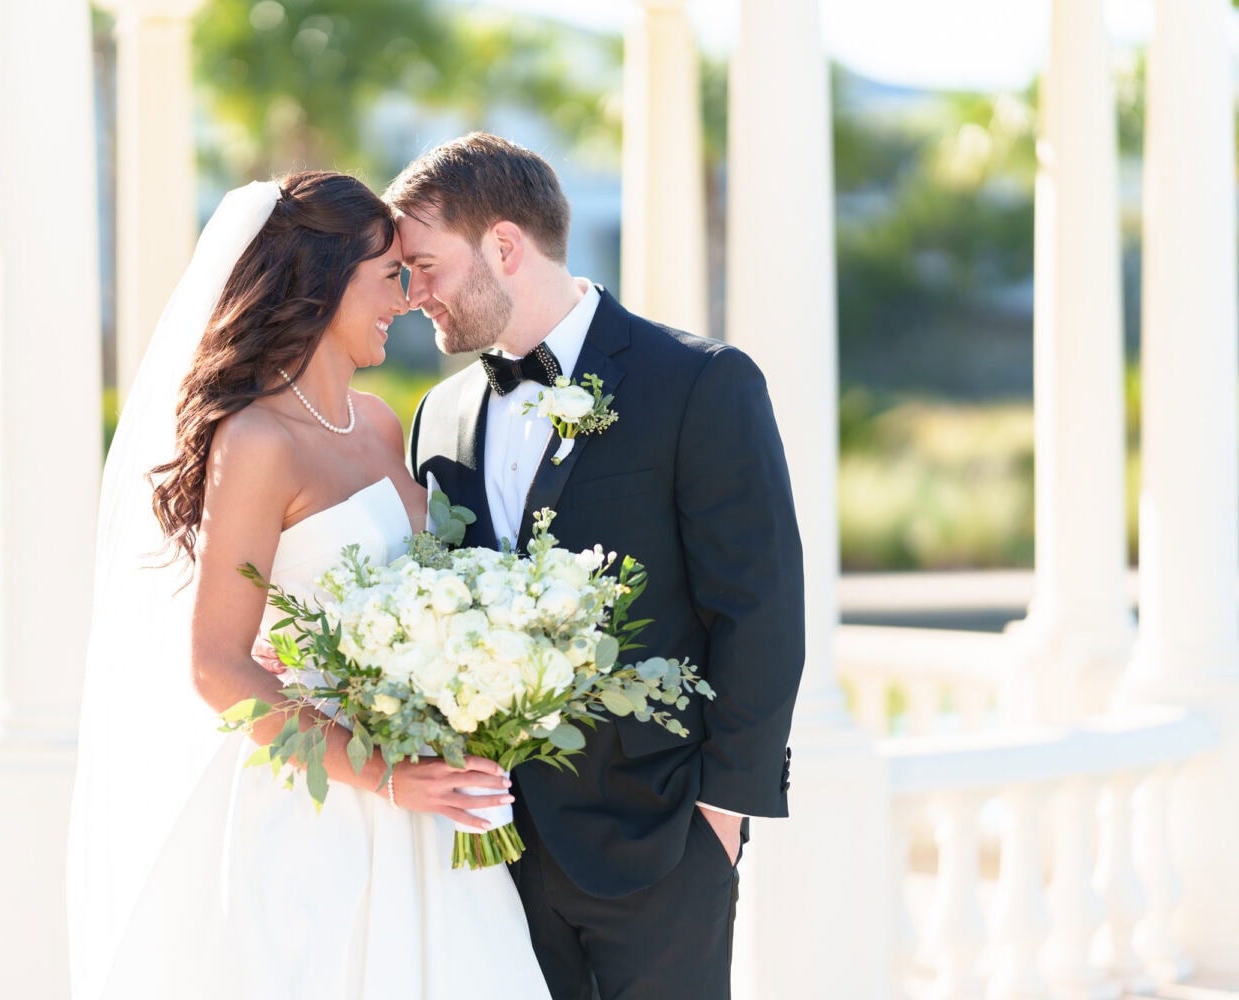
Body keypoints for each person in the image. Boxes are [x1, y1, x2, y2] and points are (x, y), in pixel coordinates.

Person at [67, 172, 552, 1000]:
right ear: (323, 283)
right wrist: (383, 774)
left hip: (431, 803)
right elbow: (218, 668)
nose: (406, 298)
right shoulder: (256, 440)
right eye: (389, 275)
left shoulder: (380, 423)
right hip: (322, 809)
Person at [388, 134, 805, 1000]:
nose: (411, 294)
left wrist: (719, 817)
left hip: (660, 841)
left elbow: (760, 611)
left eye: (424, 265)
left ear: (504, 246)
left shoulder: (700, 383)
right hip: (490, 855)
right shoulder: (438, 413)